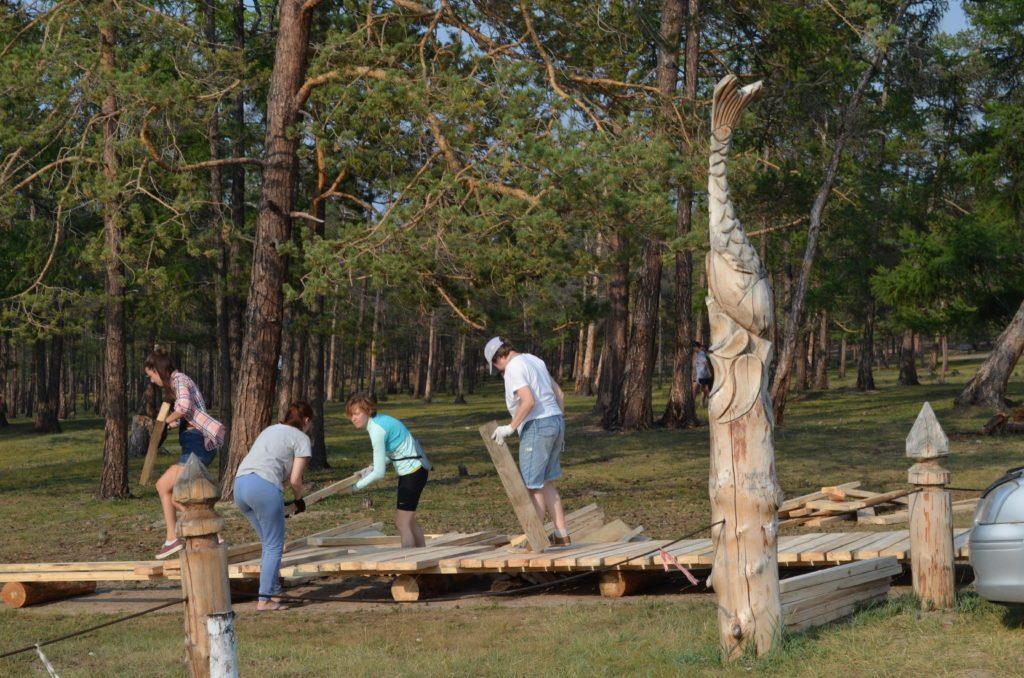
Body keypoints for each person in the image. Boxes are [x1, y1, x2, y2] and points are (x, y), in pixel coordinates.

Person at [484, 336, 570, 546]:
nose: (499, 371)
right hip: (555, 420)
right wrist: (557, 425)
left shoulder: (513, 368)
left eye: (496, 367)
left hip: (537, 426)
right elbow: (560, 394)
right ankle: (562, 536)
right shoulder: (534, 360)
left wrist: (510, 427)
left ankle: (535, 540)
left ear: (498, 358)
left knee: (533, 486)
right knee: (547, 482)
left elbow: (528, 401)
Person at [145, 348, 226, 560]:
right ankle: (210, 534)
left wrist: (164, 421)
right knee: (168, 490)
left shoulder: (179, 379)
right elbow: (187, 415)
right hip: (193, 444)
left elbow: (184, 407)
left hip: (197, 444)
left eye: (151, 375)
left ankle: (176, 539)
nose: (152, 380)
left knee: (164, 487)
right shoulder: (177, 383)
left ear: (157, 369)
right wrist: (170, 425)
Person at [233, 402, 313, 611]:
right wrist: (298, 501)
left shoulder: (271, 429)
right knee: (273, 546)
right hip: (264, 487)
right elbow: (295, 480)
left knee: (268, 543)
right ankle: (265, 599)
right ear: (306, 421)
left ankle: (274, 590)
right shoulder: (302, 438)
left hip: (240, 485)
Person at [346, 393, 430, 547]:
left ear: (368, 411)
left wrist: (356, 487)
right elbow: (391, 454)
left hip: (413, 473)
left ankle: (408, 560)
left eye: (356, 414)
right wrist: (368, 470)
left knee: (402, 523)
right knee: (409, 521)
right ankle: (421, 556)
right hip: (415, 470)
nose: (353, 418)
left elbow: (380, 472)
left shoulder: (377, 429)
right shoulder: (380, 421)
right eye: (351, 415)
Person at [693, 341, 713, 407]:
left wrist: (709, 372)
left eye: (693, 347)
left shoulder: (701, 354)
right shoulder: (699, 354)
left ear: (696, 347)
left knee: (697, 389)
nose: (693, 349)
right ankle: (709, 399)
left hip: (703, 375)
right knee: (701, 389)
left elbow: (706, 362)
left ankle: (710, 397)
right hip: (700, 375)